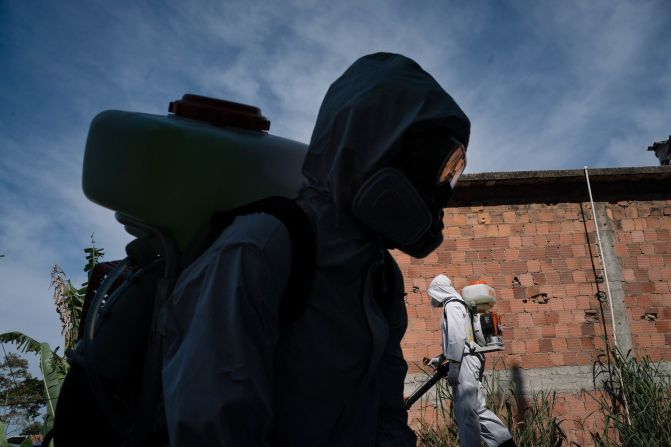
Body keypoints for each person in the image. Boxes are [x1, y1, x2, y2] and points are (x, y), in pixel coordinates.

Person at [160, 52, 470, 446]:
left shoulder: (381, 279)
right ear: (372, 146)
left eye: (450, 175)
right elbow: (213, 429)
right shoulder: (262, 249)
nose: (438, 194)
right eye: (434, 168)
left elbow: (386, 417)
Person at [427, 274, 516, 447]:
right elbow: (463, 338)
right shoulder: (462, 304)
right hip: (469, 357)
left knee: (466, 413)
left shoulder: (452, 305)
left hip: (463, 362)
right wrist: (441, 358)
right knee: (477, 409)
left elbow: (456, 337)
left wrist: (453, 366)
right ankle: (506, 443)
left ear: (439, 290)